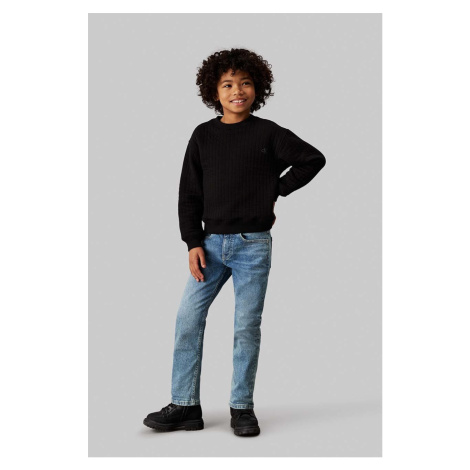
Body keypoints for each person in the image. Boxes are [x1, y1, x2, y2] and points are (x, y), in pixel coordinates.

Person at [143, 48, 326, 437]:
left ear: (257, 88)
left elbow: (313, 158)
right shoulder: (203, 136)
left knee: (246, 326)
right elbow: (189, 194)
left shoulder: (269, 133)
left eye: (245, 83)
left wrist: (276, 189)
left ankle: (242, 407)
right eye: (227, 84)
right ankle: (185, 404)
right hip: (209, 246)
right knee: (188, 318)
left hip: (253, 245)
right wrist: (192, 242)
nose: (237, 91)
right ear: (214, 91)